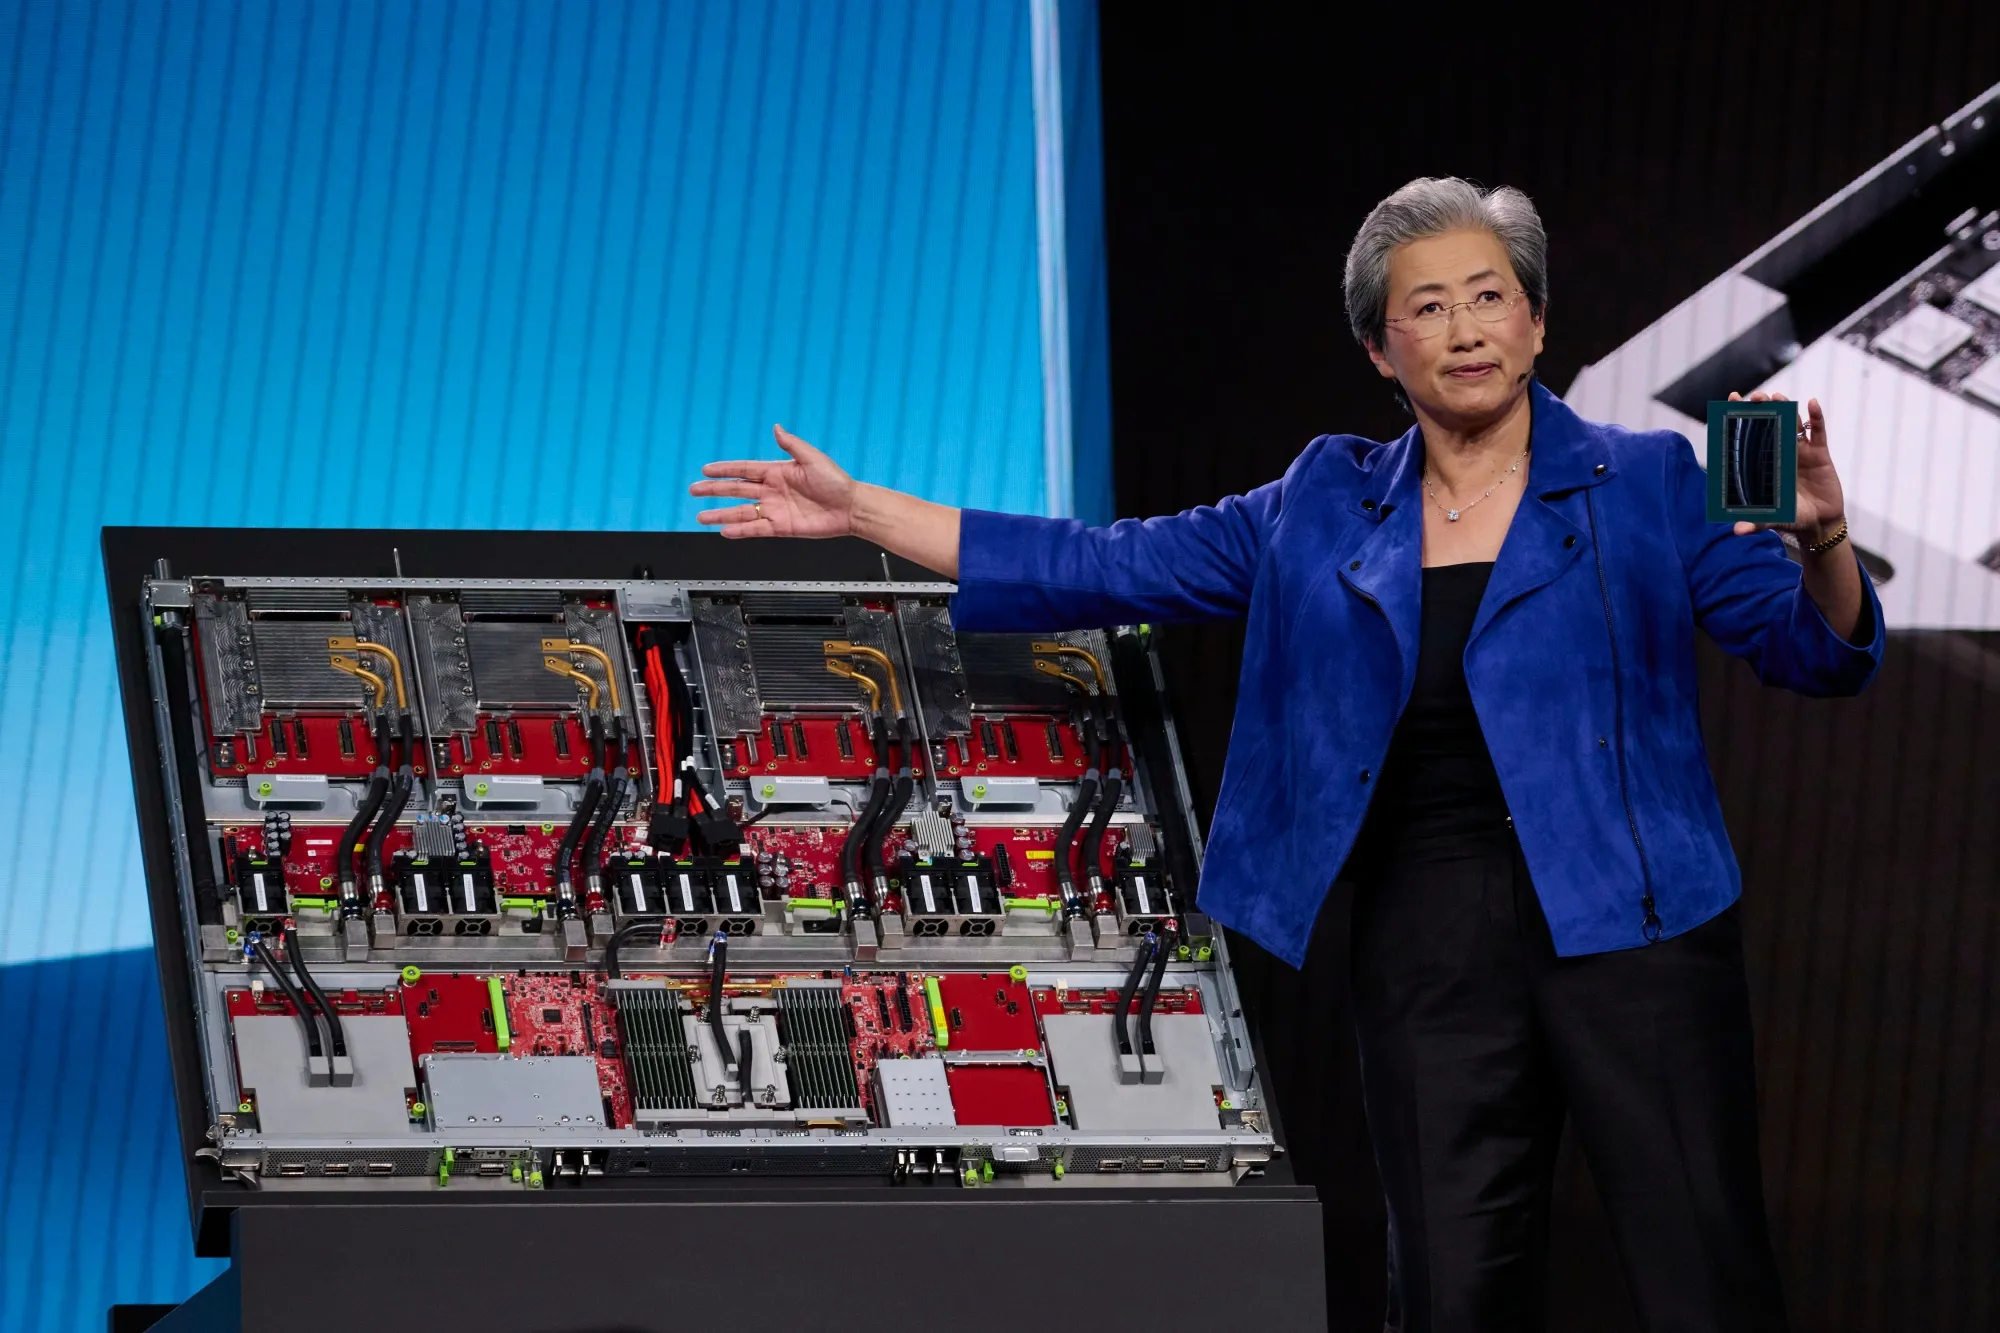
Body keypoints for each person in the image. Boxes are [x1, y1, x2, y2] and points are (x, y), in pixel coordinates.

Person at [691, 177, 1881, 1331]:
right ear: (1378, 346)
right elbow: (1106, 562)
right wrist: (864, 514)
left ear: (1533, 320)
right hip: (1429, 943)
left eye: (1487, 296)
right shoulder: (1319, 500)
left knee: (1702, 1280)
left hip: (1640, 927)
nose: (1462, 328)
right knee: (1450, 1291)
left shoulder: (1651, 481)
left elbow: (1808, 655)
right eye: (1425, 307)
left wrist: (1821, 545)